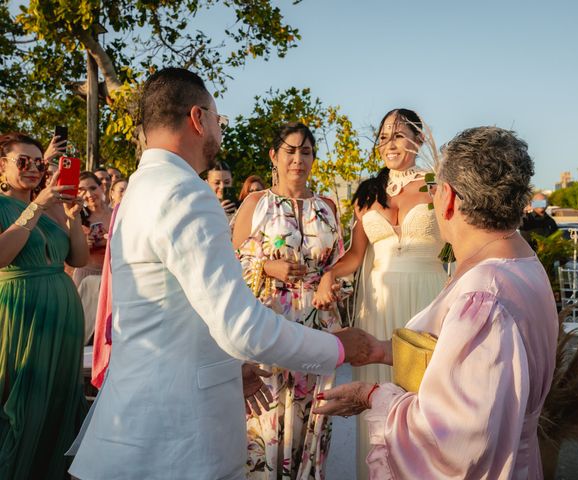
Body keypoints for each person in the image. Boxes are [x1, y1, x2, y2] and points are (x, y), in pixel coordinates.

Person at [68, 67, 381, 480]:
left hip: (135, 428)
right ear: (198, 119)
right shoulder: (186, 194)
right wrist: (337, 348)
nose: (219, 128)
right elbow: (240, 326)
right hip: (175, 442)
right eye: (218, 118)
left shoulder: (143, 187)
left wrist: (234, 363)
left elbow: (180, 303)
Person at [315, 126, 558, 479]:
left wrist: (371, 397)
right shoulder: (523, 263)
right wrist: (382, 350)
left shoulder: (483, 297)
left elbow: (454, 440)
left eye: (436, 188)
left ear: (447, 198)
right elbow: (470, 367)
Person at [313, 108, 447, 477]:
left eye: (400, 134)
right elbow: (355, 257)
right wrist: (327, 277)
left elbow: (457, 244)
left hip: (427, 297)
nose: (390, 143)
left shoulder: (438, 184)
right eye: (384, 136)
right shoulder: (366, 193)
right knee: (378, 398)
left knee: (426, 394)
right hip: (379, 301)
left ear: (419, 139)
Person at [233, 123, 348, 479]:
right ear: (274, 156)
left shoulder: (327, 206)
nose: (298, 159)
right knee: (266, 424)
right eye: (290, 151)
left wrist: (331, 283)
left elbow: (340, 265)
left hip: (318, 328)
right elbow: (230, 266)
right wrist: (267, 266)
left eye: (306, 152)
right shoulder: (257, 203)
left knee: (313, 420)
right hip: (269, 326)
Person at [0, 132, 89, 479]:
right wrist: (36, 207)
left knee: (57, 403)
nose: (34, 169)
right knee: (21, 406)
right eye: (23, 162)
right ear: (2, 166)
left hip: (63, 321)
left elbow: (78, 257)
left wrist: (73, 216)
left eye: (40, 163)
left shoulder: (52, 206)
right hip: (22, 314)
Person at [72, 171, 112, 344]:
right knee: (84, 328)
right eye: (81, 190)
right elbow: (69, 253)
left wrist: (110, 239)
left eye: (92, 188)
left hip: (110, 275)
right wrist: (83, 243)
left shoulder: (117, 213)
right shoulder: (76, 217)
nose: (88, 194)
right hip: (85, 275)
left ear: (102, 187)